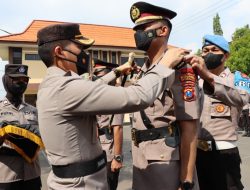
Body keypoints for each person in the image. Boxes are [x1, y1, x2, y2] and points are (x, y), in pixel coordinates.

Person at [36, 23, 187, 189]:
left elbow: (90, 90)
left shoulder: (53, 84)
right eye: (79, 47)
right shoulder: (66, 87)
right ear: (59, 52)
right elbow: (136, 97)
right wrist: (164, 65)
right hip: (82, 184)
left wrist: (116, 72)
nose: (84, 54)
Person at [129, 2, 200, 190]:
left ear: (162, 30)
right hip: (140, 159)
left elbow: (189, 129)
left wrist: (186, 180)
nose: (138, 33)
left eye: (144, 28)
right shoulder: (143, 71)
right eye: (136, 29)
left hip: (165, 163)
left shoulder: (180, 68)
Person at [186, 34, 249, 190]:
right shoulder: (195, 81)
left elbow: (242, 98)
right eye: (205, 50)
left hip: (224, 154)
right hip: (197, 153)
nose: (208, 53)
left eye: (214, 50)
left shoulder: (238, 78)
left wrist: (208, 76)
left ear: (226, 55)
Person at [0, 64, 41, 190]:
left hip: (32, 174)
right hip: (7, 174)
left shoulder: (34, 111)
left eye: (25, 80)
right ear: (6, 80)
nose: (21, 82)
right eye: (16, 79)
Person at [93, 64, 124, 190]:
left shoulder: (115, 98)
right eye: (96, 77)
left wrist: (117, 158)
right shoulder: (95, 98)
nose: (97, 80)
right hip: (95, 150)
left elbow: (118, 128)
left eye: (100, 77)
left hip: (109, 151)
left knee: (109, 186)